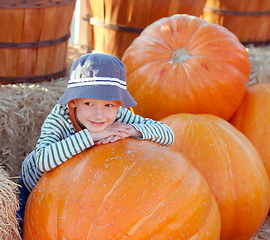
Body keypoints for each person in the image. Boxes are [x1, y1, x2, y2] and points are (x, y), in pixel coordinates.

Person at [17, 52, 175, 229]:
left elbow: (167, 134)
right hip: (35, 189)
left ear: (119, 105)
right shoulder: (60, 118)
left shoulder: (119, 116)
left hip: (76, 190)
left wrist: (132, 130)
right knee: (23, 228)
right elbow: (43, 161)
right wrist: (92, 136)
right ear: (73, 102)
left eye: (108, 105)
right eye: (89, 104)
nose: (99, 115)